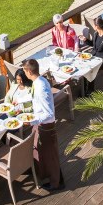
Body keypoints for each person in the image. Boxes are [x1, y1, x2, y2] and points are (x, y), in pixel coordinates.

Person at [23, 59, 63, 191]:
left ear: (29, 71)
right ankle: (43, 173)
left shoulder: (41, 88)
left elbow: (49, 114)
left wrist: (31, 121)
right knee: (38, 149)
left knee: (50, 155)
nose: (24, 73)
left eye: (24, 71)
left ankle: (56, 183)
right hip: (39, 123)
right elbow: (36, 101)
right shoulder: (39, 81)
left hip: (46, 127)